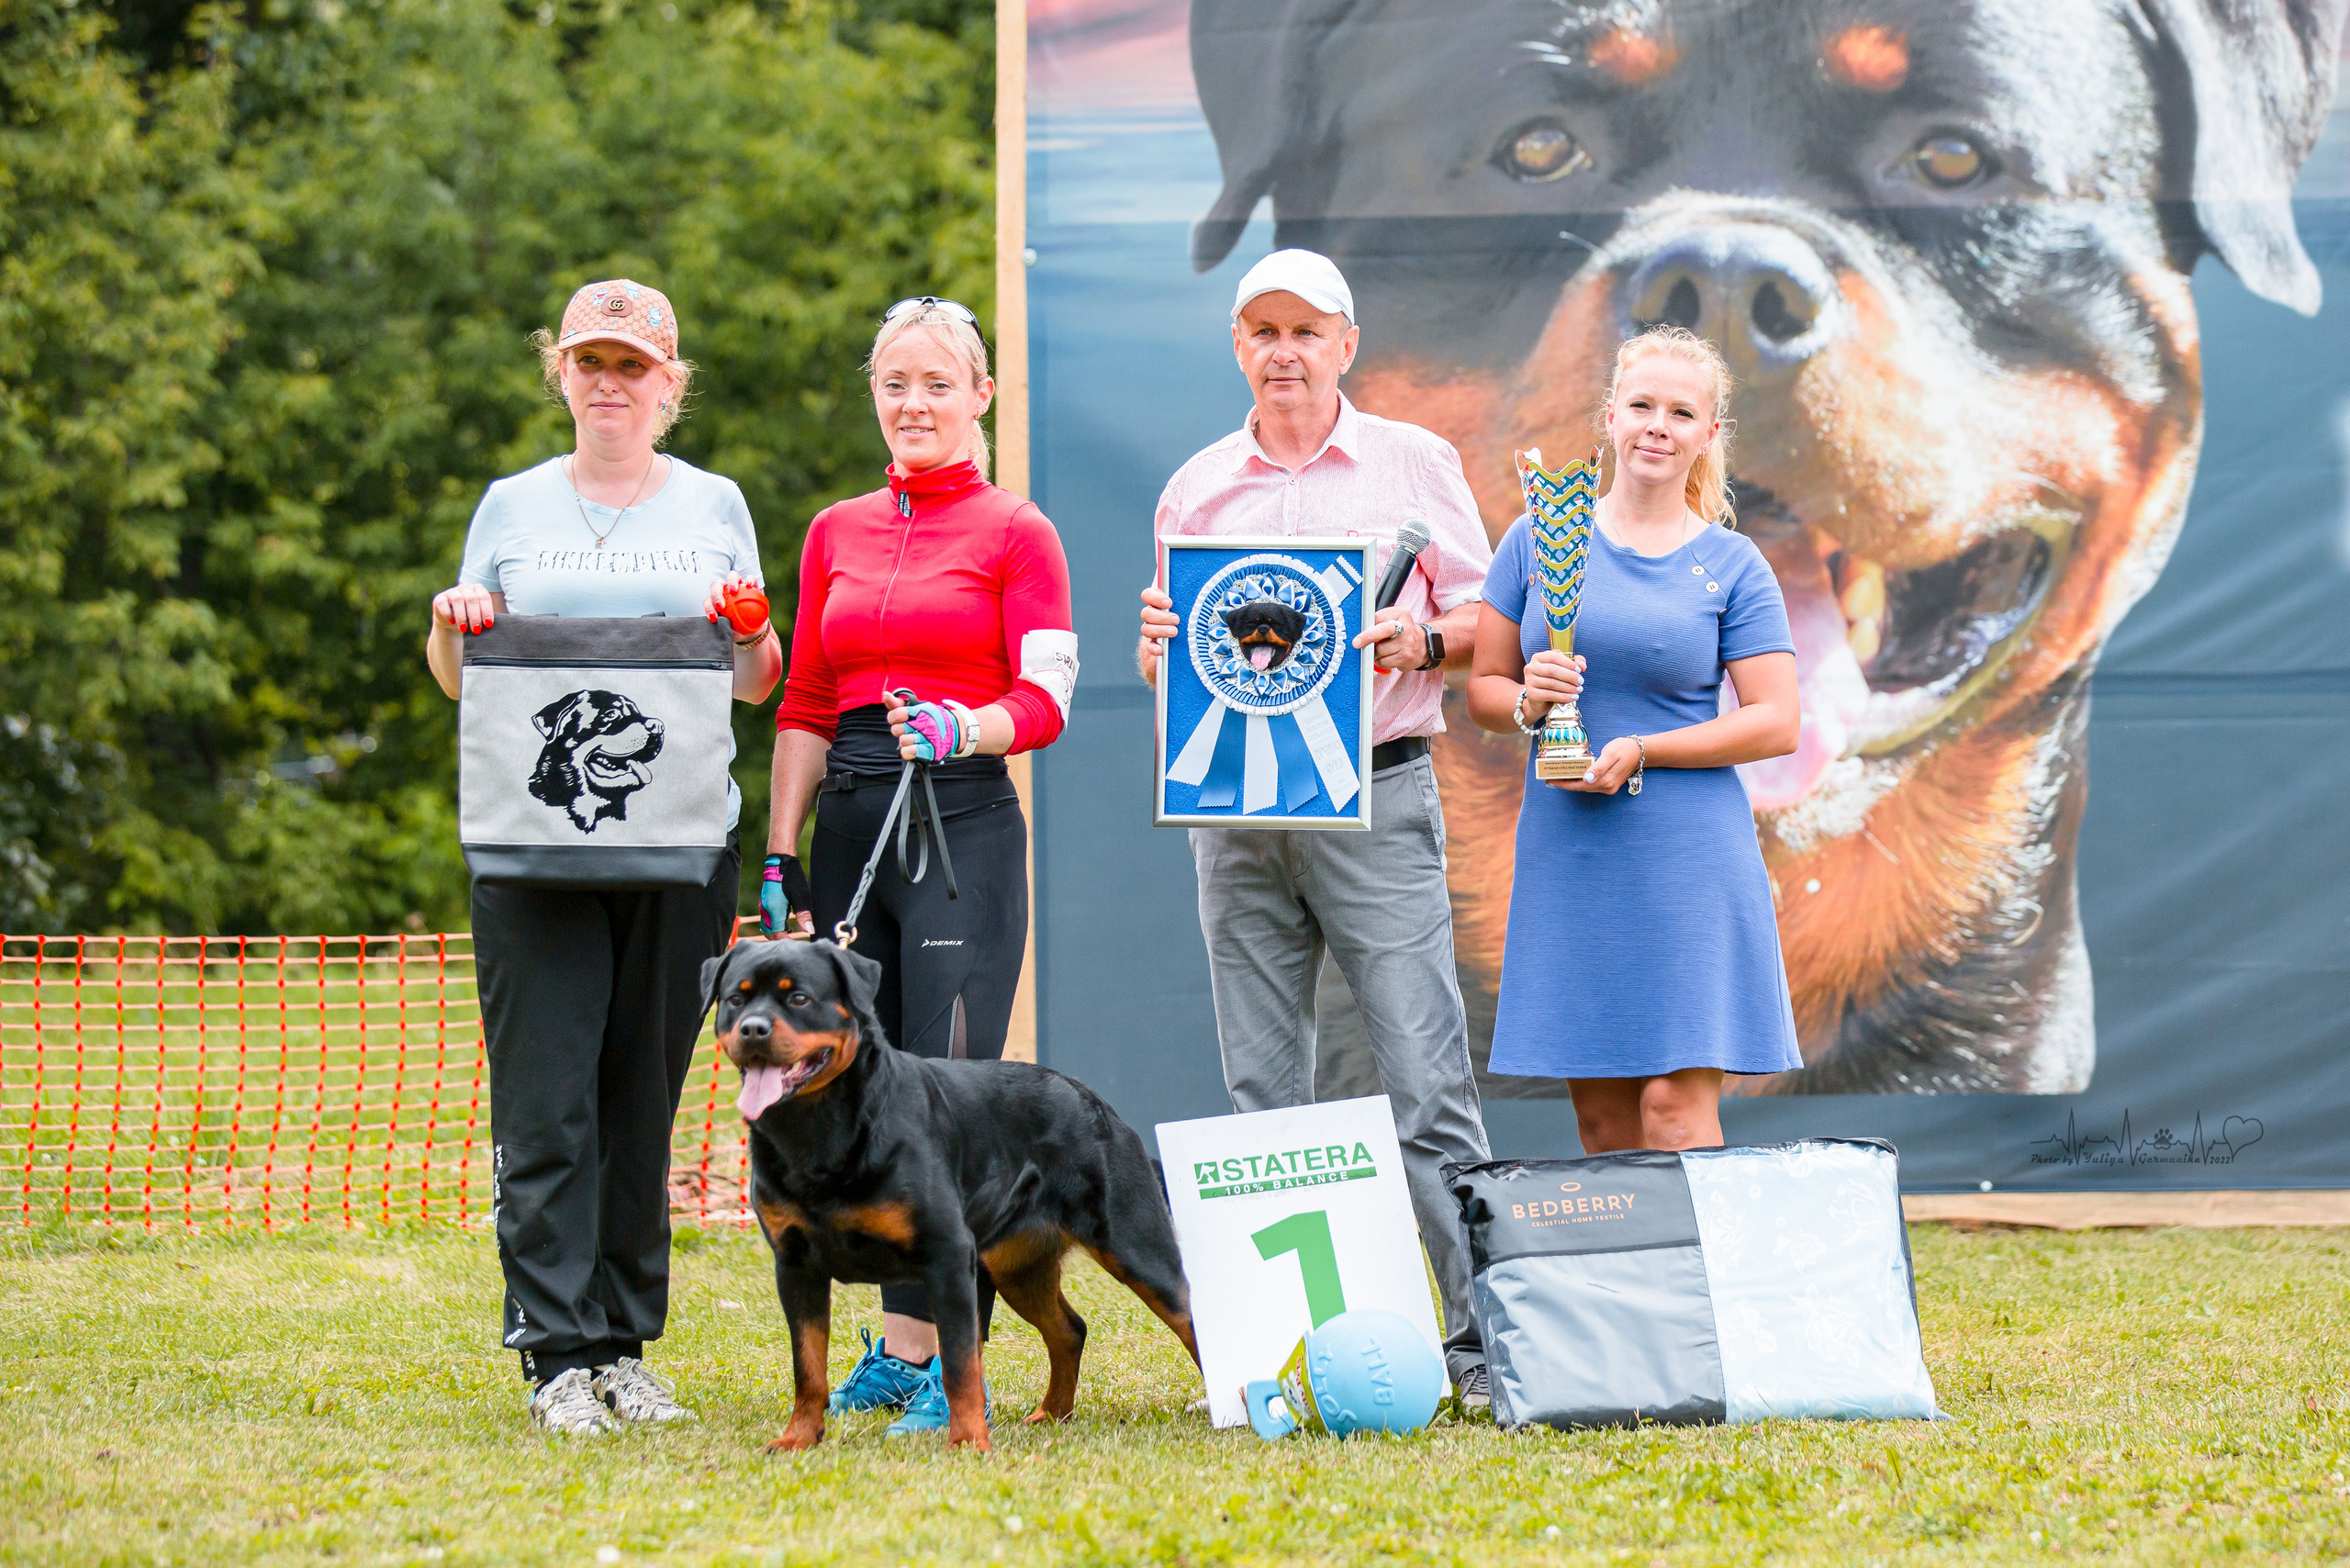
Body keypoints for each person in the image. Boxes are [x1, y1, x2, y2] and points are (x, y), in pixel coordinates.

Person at [1136, 249, 1497, 1407]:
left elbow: (1485, 617)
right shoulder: (1197, 487)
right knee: (1260, 1092)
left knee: (1424, 1080)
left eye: (1306, 331)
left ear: (1347, 342)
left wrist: (1422, 643)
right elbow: (1184, 656)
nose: (1283, 352)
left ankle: (1488, 1346)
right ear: (1238, 346)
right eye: (1262, 331)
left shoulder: (1413, 462)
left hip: (1379, 794)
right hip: (1233, 818)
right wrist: (1159, 646)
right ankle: (1275, 1358)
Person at [427, 279, 782, 1435]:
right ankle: (554, 1358)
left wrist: (753, 624)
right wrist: (450, 622)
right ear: (561, 375)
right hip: (534, 852)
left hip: (682, 846)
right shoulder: (511, 505)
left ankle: (622, 1347)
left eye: (633, 364)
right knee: (546, 1104)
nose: (610, 381)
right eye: (590, 361)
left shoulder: (715, 503)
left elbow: (756, 679)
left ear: (669, 384)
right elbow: (455, 679)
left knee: (640, 1098)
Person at [764, 297, 1077, 1436]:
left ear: (981, 396)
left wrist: (965, 729)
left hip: (958, 820)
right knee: (840, 1084)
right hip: (848, 817)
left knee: (937, 1088)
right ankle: (893, 1348)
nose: (915, 405)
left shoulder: (1017, 530)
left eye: (939, 384)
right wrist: (778, 854)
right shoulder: (835, 528)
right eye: (895, 384)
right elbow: (801, 699)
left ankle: (926, 1357)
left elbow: (1046, 699)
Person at [1466, 325, 1804, 1151]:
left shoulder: (1734, 563)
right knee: (1604, 1119)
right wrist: (1529, 703)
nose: (1658, 425)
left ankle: (1704, 1283)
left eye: (1681, 412)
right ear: (1610, 416)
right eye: (1642, 405)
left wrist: (1646, 750)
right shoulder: (1533, 538)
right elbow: (1483, 689)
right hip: (1571, 849)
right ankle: (1632, 1283)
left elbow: (1776, 719)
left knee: (1673, 1110)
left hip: (1689, 854)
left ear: (1709, 435)